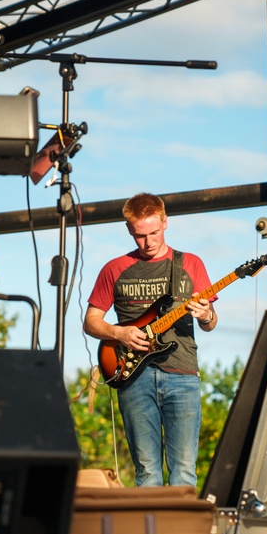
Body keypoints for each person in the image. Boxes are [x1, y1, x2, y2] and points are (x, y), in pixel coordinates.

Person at [83, 193, 217, 487]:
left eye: (154, 232)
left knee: (184, 470)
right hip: (132, 375)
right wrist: (119, 333)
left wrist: (206, 314)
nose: (148, 242)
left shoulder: (190, 264)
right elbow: (91, 322)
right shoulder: (114, 268)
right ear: (129, 230)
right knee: (147, 472)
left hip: (182, 374)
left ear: (165, 222)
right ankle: (150, 532)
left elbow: (210, 323)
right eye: (140, 235)